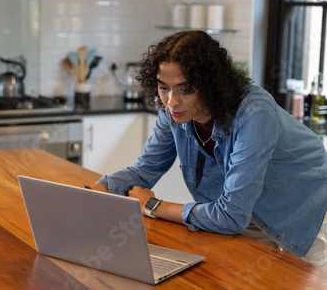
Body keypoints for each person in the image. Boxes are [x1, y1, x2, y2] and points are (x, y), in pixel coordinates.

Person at [87, 30, 327, 268]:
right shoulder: (174, 114)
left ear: (212, 86)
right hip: (250, 217)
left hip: (310, 217)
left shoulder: (255, 113)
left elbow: (231, 215)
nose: (172, 101)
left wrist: (153, 206)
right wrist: (96, 191)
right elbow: (145, 169)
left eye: (186, 89)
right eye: (163, 88)